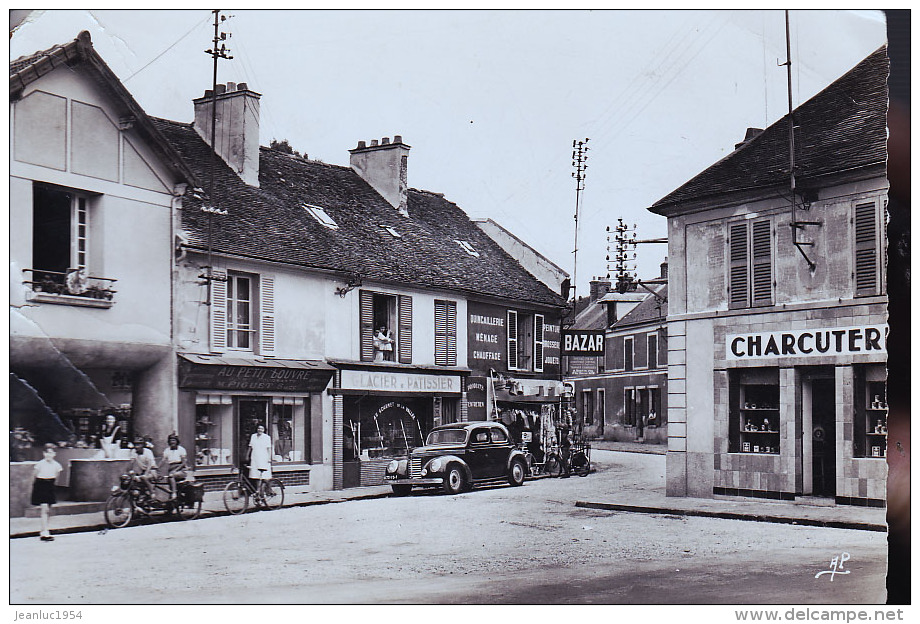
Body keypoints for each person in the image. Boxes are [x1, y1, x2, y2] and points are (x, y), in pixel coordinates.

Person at [32, 443, 63, 542]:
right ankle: (45, 532)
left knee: (48, 510)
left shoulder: (57, 465)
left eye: (51, 453)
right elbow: (35, 476)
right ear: (43, 453)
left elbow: (56, 477)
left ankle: (44, 529)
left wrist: (53, 487)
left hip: (50, 486)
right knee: (44, 509)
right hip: (41, 486)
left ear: (55, 454)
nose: (49, 455)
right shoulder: (40, 464)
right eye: (47, 453)